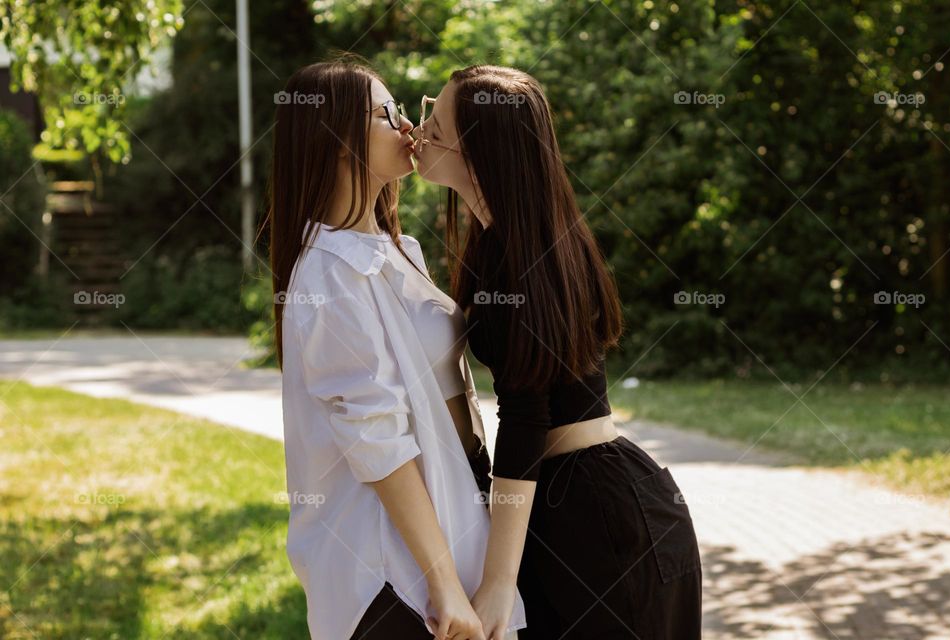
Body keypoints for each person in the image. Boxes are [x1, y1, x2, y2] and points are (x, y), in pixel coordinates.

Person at [412, 65, 703, 639]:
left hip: (598, 516)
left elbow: (524, 417)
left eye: (434, 122)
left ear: (477, 151)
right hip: (604, 501)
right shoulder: (517, 238)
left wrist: (497, 584)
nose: (417, 130)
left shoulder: (522, 256)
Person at [265, 59, 525, 640]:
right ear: (334, 138)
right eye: (387, 113)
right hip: (390, 570)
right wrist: (445, 585)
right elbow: (376, 439)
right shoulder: (331, 273)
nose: (409, 125)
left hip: (449, 526)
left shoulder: (392, 250)